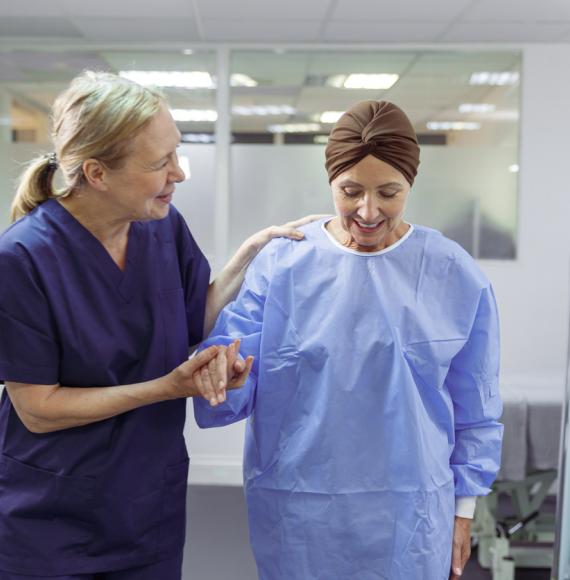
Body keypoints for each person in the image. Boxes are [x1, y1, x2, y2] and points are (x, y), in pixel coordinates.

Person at [0, 71, 320, 579]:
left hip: (148, 509)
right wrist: (168, 388)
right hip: (52, 520)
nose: (179, 173)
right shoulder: (22, 258)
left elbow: (191, 318)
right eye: (159, 162)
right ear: (97, 173)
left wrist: (248, 256)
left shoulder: (160, 226)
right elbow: (38, 410)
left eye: (176, 153)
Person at [194, 100, 504, 579]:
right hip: (299, 511)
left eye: (389, 192)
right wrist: (226, 376)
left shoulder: (452, 272)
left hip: (411, 516)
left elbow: (476, 407)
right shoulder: (283, 264)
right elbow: (229, 378)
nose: (368, 210)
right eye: (351, 191)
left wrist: (463, 511)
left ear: (411, 186)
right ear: (330, 182)